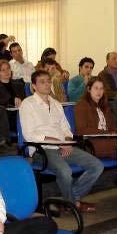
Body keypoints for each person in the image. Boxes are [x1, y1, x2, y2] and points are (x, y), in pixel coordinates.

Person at [19, 70, 104, 213]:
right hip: (42, 150)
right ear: (33, 86)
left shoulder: (56, 104)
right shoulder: (28, 104)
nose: (47, 84)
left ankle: (69, 200)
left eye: (48, 81)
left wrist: (68, 142)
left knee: (97, 165)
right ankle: (73, 204)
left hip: (63, 146)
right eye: (42, 82)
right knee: (65, 171)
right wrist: (59, 143)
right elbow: (29, 135)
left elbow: (66, 128)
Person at [75, 77, 117, 158]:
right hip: (90, 143)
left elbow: (112, 127)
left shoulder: (105, 106)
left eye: (101, 88)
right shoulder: (82, 105)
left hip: (107, 140)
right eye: (96, 88)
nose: (99, 91)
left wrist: (113, 133)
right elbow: (81, 129)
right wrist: (106, 133)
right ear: (89, 89)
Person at [0, 60, 25, 132]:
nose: (7, 71)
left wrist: (22, 102)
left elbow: (25, 100)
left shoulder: (19, 85)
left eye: (8, 68)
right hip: (6, 117)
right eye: (3, 70)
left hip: (21, 114)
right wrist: (11, 100)